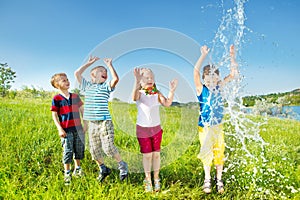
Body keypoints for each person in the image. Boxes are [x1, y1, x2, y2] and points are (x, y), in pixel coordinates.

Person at [74, 56, 128, 182]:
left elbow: (115, 79)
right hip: (92, 123)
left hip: (104, 121)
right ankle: (103, 168)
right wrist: (89, 63)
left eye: (106, 72)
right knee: (94, 150)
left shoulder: (106, 87)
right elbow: (77, 73)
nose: (105, 73)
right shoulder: (86, 86)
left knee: (108, 147)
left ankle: (122, 165)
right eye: (101, 71)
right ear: (93, 75)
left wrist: (109, 65)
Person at [193, 45, 238, 194]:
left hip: (218, 127)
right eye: (208, 77)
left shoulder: (220, 87)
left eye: (214, 76)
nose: (211, 79)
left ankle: (219, 180)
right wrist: (202, 56)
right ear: (204, 79)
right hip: (205, 127)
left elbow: (233, 74)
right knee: (207, 153)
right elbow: (195, 72)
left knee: (219, 152)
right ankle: (207, 179)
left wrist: (232, 56)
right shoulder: (201, 89)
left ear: (218, 77)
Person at [132, 67, 178, 192]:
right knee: (147, 156)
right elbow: (134, 97)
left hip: (156, 129)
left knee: (156, 155)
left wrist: (172, 91)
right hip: (143, 129)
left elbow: (167, 103)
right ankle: (147, 179)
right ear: (141, 81)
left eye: (152, 77)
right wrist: (136, 81)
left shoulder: (157, 93)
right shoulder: (140, 93)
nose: (150, 79)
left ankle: (156, 178)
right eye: (146, 78)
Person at [50, 73, 87, 185]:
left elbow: (82, 110)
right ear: (57, 85)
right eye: (63, 81)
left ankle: (78, 169)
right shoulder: (56, 98)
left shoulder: (75, 96)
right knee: (68, 150)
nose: (67, 82)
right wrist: (60, 129)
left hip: (78, 129)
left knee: (79, 149)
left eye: (67, 79)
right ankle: (67, 172)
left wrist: (85, 123)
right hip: (66, 130)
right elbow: (54, 115)